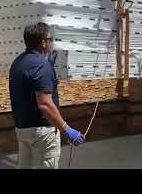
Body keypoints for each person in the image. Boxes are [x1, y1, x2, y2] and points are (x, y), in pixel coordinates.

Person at [9, 22, 85, 169]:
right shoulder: (41, 66)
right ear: (43, 42)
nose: (52, 42)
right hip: (42, 133)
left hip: (22, 129)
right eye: (50, 39)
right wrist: (66, 129)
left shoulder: (18, 62)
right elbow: (44, 104)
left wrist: (46, 66)